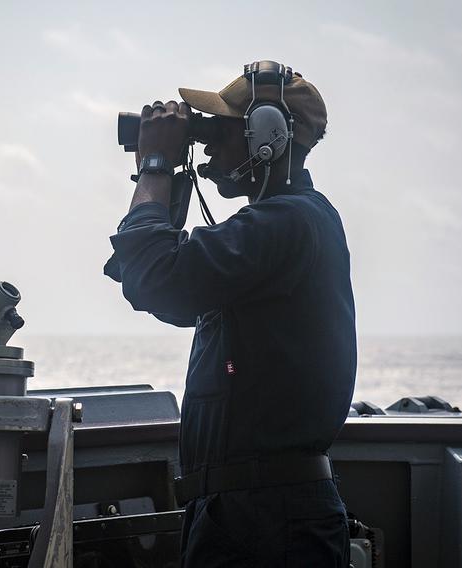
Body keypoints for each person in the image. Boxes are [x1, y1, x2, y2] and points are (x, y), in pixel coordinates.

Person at [105, 61, 356, 567]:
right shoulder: (279, 226)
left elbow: (158, 279)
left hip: (267, 521)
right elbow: (158, 288)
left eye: (220, 129)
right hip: (247, 514)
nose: (209, 145)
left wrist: (155, 163)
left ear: (269, 136)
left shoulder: (285, 223)